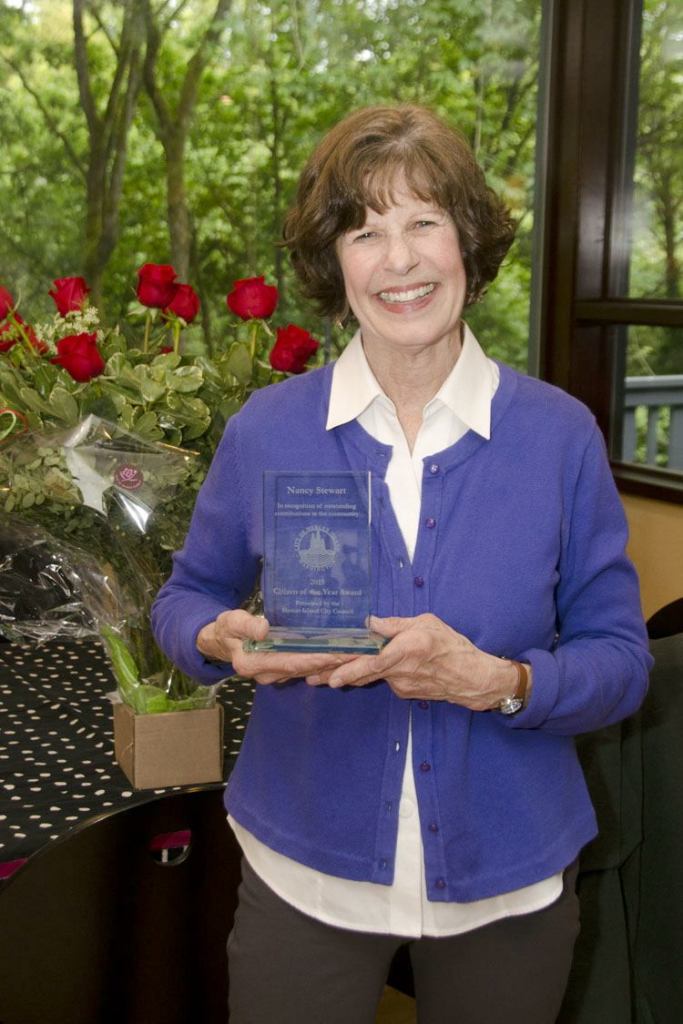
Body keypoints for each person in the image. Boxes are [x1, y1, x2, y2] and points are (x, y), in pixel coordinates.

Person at [151, 104, 652, 1023]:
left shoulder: (556, 438)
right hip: (303, 869)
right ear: (331, 266)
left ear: (467, 240)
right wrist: (217, 639)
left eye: (423, 221)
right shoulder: (268, 430)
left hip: (512, 874)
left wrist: (500, 681)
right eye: (364, 231)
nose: (400, 260)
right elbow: (186, 597)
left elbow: (620, 663)